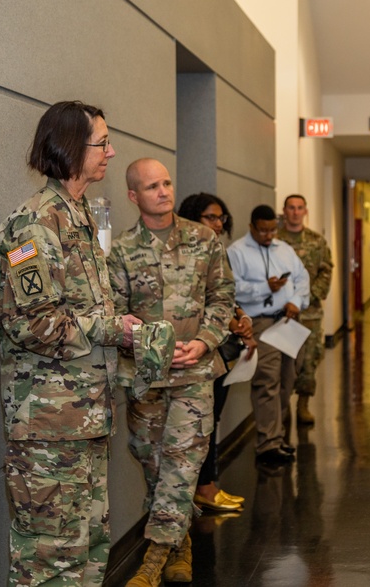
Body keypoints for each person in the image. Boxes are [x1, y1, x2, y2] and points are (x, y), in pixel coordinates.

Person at [0, 101, 141, 586]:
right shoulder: (32, 226)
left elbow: (86, 311)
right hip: (48, 429)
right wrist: (116, 330)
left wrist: (118, 324)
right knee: (49, 560)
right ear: (71, 147)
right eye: (102, 143)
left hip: (86, 420)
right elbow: (34, 324)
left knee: (88, 549)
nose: (111, 152)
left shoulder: (77, 217)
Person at [107, 160, 235, 586]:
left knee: (182, 465)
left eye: (166, 183)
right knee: (154, 464)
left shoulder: (203, 238)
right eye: (151, 186)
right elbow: (116, 314)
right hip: (146, 376)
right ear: (133, 196)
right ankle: (181, 545)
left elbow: (222, 296)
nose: (163, 191)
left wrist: (204, 340)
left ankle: (152, 562)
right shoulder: (122, 250)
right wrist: (148, 343)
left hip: (195, 373)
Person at [176, 192, 254, 513]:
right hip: (198, 352)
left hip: (220, 349)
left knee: (213, 418)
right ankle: (204, 488)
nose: (219, 223)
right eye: (211, 217)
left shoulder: (213, 249)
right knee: (202, 421)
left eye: (221, 217)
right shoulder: (184, 252)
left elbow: (223, 294)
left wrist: (242, 319)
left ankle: (209, 485)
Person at [228, 205, 309, 465]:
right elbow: (231, 289)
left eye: (272, 229)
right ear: (252, 227)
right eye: (263, 230)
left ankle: (278, 435)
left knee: (287, 380)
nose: (268, 235)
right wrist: (265, 287)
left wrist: (295, 301)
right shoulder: (237, 252)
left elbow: (302, 278)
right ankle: (268, 443)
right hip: (261, 324)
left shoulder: (284, 249)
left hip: (287, 321)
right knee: (267, 382)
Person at [276, 194, 332, 426]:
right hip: (282, 312)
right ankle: (284, 405)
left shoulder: (317, 241)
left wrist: (307, 298)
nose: (296, 212)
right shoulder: (275, 240)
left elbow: (325, 272)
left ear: (305, 211)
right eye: (291, 208)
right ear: (285, 210)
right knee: (283, 361)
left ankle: (303, 405)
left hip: (309, 313)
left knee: (309, 360)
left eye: (300, 208)